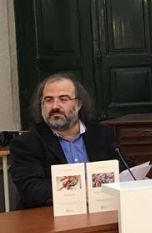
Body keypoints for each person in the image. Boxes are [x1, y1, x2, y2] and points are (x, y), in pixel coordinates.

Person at [10, 73, 124, 209]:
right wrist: (81, 194)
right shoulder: (26, 143)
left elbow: (123, 169)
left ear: (79, 104)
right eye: (48, 100)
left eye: (63, 99)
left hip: (102, 210)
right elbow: (31, 188)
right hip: (50, 215)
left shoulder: (101, 134)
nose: (55, 106)